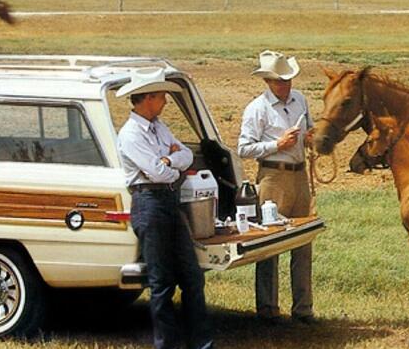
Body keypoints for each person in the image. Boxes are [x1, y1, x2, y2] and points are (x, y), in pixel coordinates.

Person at [116, 68, 214, 349]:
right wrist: (171, 166)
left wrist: (170, 161)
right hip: (149, 203)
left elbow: (186, 155)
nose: (165, 102)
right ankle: (167, 344)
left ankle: (200, 342)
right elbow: (158, 173)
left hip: (168, 202)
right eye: (161, 96)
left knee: (192, 276)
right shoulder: (131, 134)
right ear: (147, 98)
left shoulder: (159, 127)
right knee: (161, 281)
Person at [237, 50, 317, 323]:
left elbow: (310, 129)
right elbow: (244, 148)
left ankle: (303, 309)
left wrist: (309, 138)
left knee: (303, 241)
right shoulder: (257, 109)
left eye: (288, 80)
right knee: (269, 243)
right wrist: (277, 145)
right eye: (280, 81)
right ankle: (268, 308)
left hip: (299, 175)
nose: (286, 85)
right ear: (268, 81)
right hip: (273, 177)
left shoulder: (300, 100)